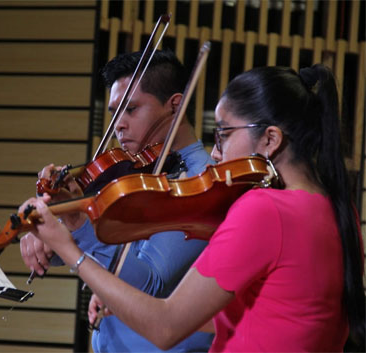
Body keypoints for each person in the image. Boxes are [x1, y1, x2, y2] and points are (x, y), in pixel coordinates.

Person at [22, 64, 365, 352]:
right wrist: (125, 305)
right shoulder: (338, 208)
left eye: (223, 135)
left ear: (271, 140)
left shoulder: (265, 208)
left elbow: (166, 327)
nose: (215, 154)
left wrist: (69, 249)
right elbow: (274, 317)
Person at [20, 50, 215, 352]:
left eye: (131, 109)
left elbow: (149, 283)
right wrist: (48, 230)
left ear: (175, 105)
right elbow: (94, 249)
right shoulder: (132, 173)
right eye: (114, 113)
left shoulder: (201, 182)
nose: (119, 125)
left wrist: (75, 224)